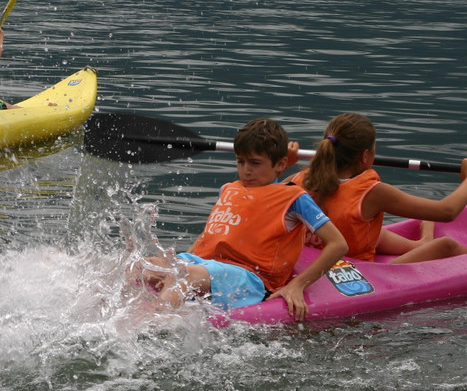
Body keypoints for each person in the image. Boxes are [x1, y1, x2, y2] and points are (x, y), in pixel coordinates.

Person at [138, 118, 348, 321]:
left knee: (186, 275)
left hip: (251, 278)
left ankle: (152, 326)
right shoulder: (228, 190)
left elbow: (338, 244)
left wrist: (298, 285)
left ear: (280, 164)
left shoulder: (296, 199)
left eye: (255, 163)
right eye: (241, 161)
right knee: (141, 266)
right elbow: (211, 234)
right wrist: (177, 262)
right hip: (207, 265)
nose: (246, 170)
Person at [293, 112, 467, 264]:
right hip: (357, 274)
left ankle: (421, 244)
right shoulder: (373, 193)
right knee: (446, 245)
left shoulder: (299, 179)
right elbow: (447, 212)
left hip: (312, 261)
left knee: (368, 229)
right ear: (365, 156)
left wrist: (283, 163)